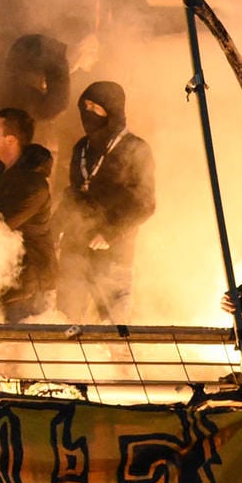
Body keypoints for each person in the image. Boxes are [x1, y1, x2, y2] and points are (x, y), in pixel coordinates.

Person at [58, 81, 156, 321]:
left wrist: (110, 232)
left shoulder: (136, 148)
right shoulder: (81, 147)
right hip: (75, 248)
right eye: (85, 106)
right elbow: (74, 193)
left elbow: (144, 203)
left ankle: (119, 358)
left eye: (95, 107)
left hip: (114, 253)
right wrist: (54, 230)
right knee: (68, 321)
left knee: (114, 324)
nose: (88, 113)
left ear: (111, 110)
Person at [0, 108, 57, 321]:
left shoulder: (33, 186)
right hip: (5, 282)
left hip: (29, 287)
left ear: (10, 140)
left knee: (22, 350)